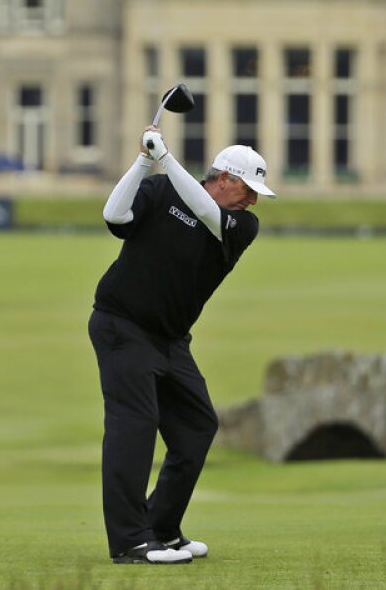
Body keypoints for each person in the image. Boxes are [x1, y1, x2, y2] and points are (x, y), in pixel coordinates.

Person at [88, 124, 275, 565]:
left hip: (170, 338)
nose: (252, 198)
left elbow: (206, 213)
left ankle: (161, 528)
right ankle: (130, 542)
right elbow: (115, 216)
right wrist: (144, 162)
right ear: (224, 178)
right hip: (122, 325)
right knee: (134, 425)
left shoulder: (241, 225)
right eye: (247, 188)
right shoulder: (160, 191)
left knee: (196, 425)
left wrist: (166, 159)